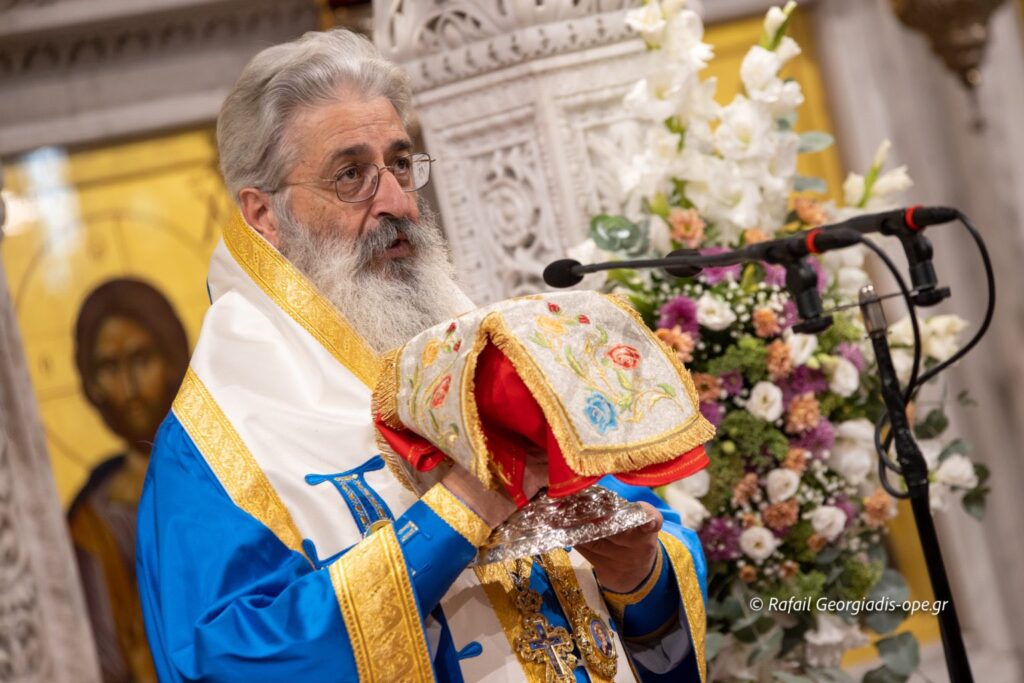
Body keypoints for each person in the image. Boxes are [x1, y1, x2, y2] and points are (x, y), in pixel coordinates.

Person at [137, 28, 708, 682]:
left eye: (401, 164)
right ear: (265, 215)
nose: (396, 203)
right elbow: (227, 662)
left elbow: (647, 528)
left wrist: (639, 577)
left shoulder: (476, 362)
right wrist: (457, 509)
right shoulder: (218, 444)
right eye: (351, 175)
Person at [70, 277, 190, 683]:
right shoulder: (93, 526)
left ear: (172, 358)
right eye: (109, 367)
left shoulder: (221, 469)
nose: (129, 387)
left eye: (142, 359)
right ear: (91, 384)